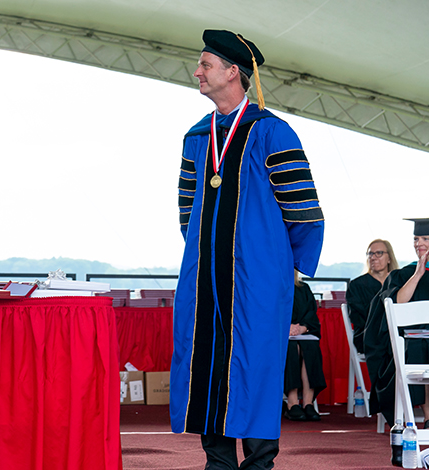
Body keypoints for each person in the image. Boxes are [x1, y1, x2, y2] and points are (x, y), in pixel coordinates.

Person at [171, 29, 324, 470]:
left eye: (205, 64)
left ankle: (259, 462)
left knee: (256, 361)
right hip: (205, 277)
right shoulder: (196, 138)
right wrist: (204, 253)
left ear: (232, 72)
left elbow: (303, 208)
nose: (196, 71)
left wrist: (283, 267)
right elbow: (187, 209)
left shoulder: (271, 132)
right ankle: (216, 461)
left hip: (258, 276)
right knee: (204, 358)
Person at [366, 218, 429, 428]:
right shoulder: (403, 274)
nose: (418, 243)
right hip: (411, 340)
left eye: (425, 238)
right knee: (417, 347)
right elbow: (397, 304)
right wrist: (419, 273)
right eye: (415, 239)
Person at [283, 271, 327, 422]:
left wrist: (302, 328)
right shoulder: (271, 287)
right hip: (280, 335)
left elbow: (311, 314)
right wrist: (285, 327)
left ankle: (308, 403)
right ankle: (292, 401)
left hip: (302, 332)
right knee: (291, 347)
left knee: (309, 346)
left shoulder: (304, 288)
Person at [345, 239, 398, 354]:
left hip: (393, 333)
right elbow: (359, 319)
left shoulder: (397, 283)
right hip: (368, 336)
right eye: (370, 254)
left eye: (379, 253)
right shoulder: (357, 285)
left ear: (389, 258)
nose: (373, 257)